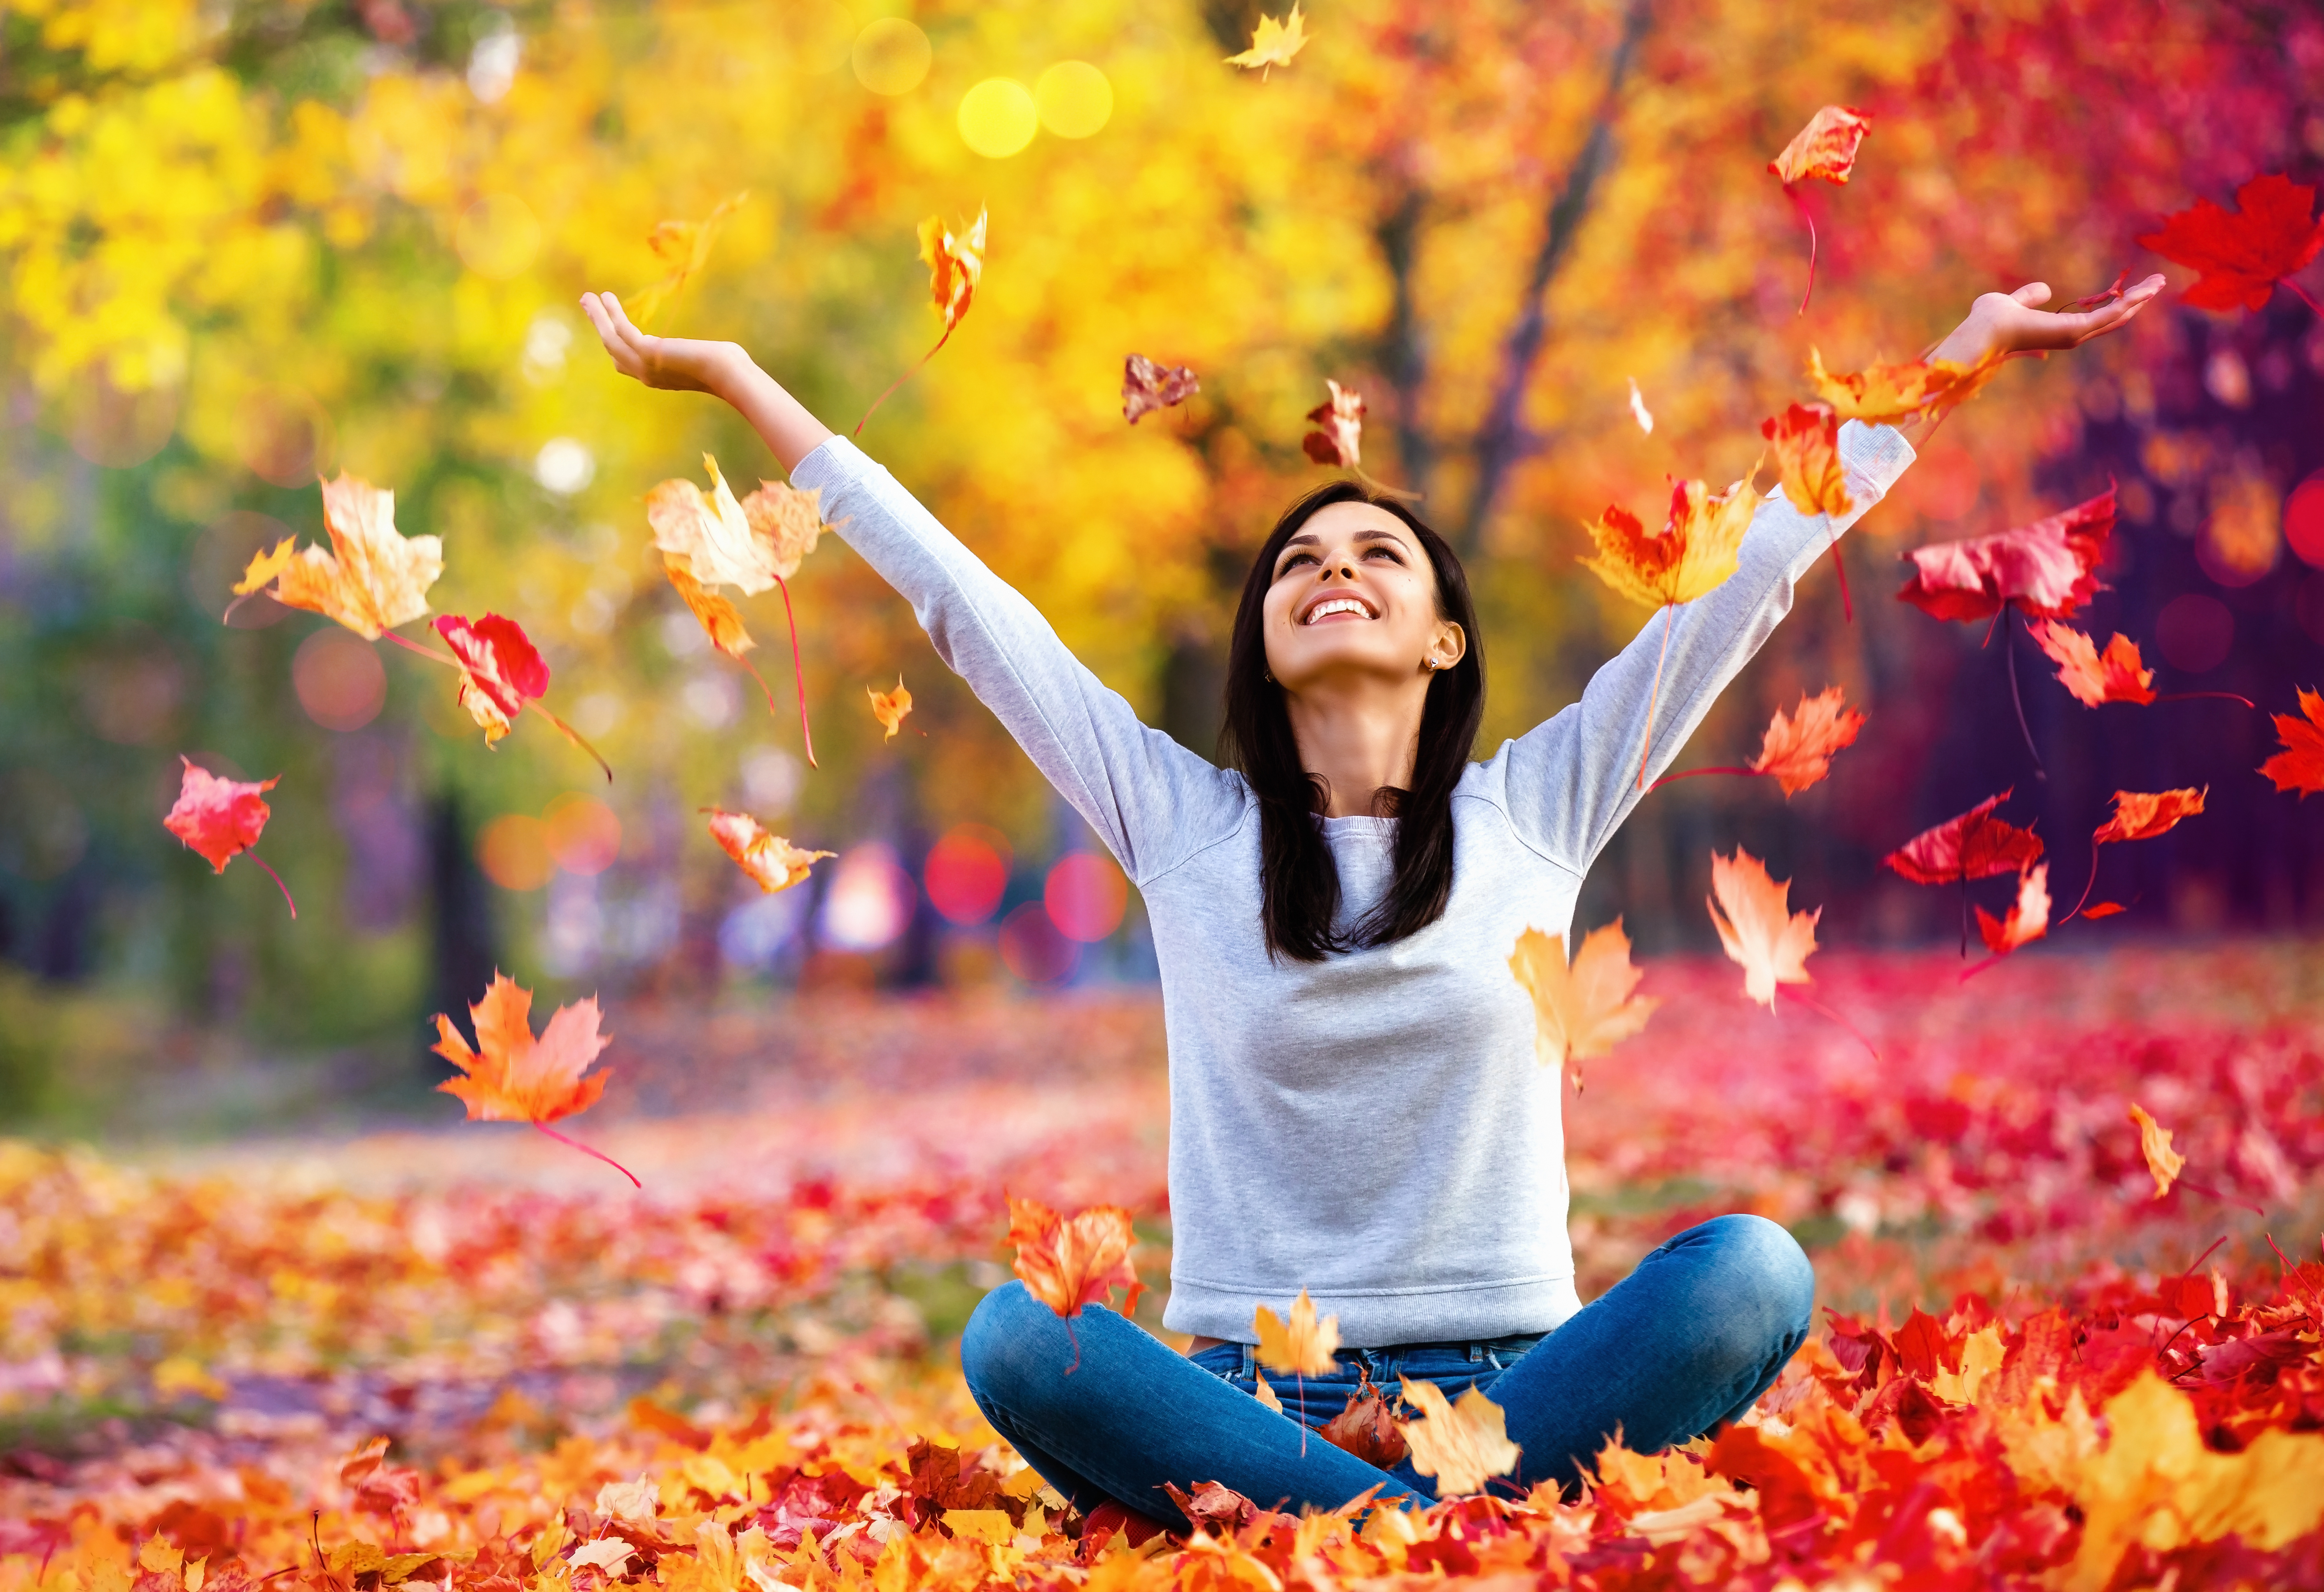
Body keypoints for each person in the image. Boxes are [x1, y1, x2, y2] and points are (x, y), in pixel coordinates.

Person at [581, 273, 2161, 1524]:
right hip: (1247, 1399)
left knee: (1753, 1267)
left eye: (1376, 555)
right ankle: (1412, 1532)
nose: (1332, 565)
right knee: (1014, 1333)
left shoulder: (1540, 804)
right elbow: (964, 606)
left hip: (1521, 1388)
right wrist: (734, 379)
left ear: (1443, 639)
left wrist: (1956, 355)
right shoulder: (1177, 824)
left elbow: (1759, 573)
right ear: (1265, 643)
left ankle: (1346, 1536)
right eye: (1298, 563)